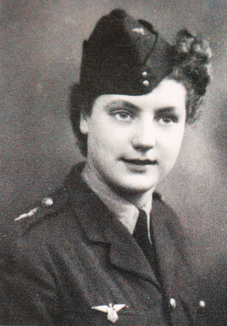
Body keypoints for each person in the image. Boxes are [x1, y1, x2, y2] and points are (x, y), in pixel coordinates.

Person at [0, 9, 211, 326]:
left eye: (166, 118)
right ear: (84, 116)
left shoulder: (167, 225)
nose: (145, 140)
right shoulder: (30, 252)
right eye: (124, 114)